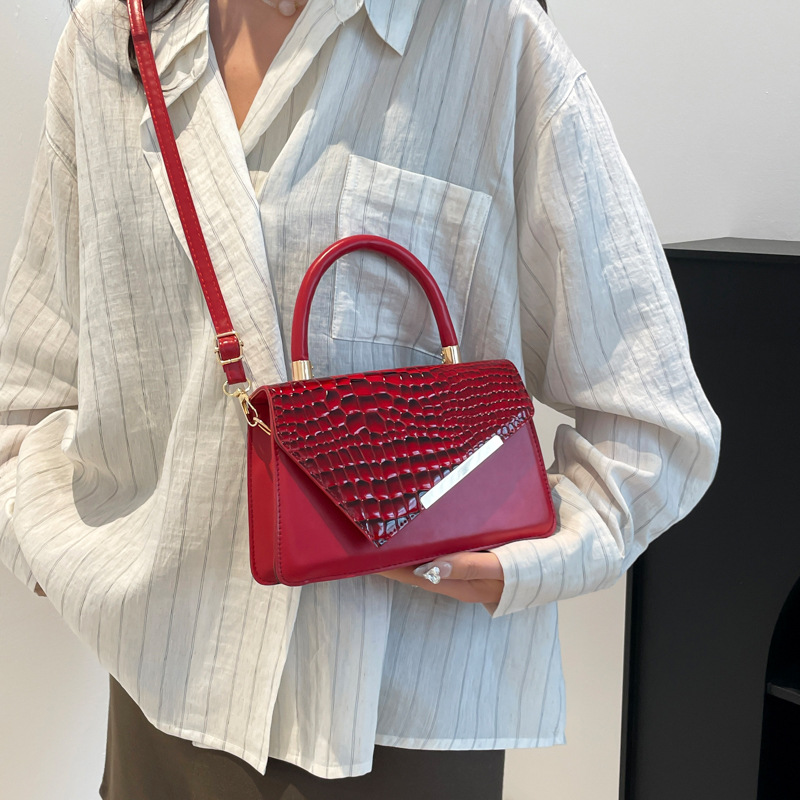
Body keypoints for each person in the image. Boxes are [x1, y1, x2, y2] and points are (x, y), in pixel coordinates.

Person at [0, 0, 721, 797]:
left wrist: (514, 567)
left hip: (398, 722)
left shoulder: (494, 41)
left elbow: (653, 421)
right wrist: (67, 556)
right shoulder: (110, 42)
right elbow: (33, 380)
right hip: (159, 699)